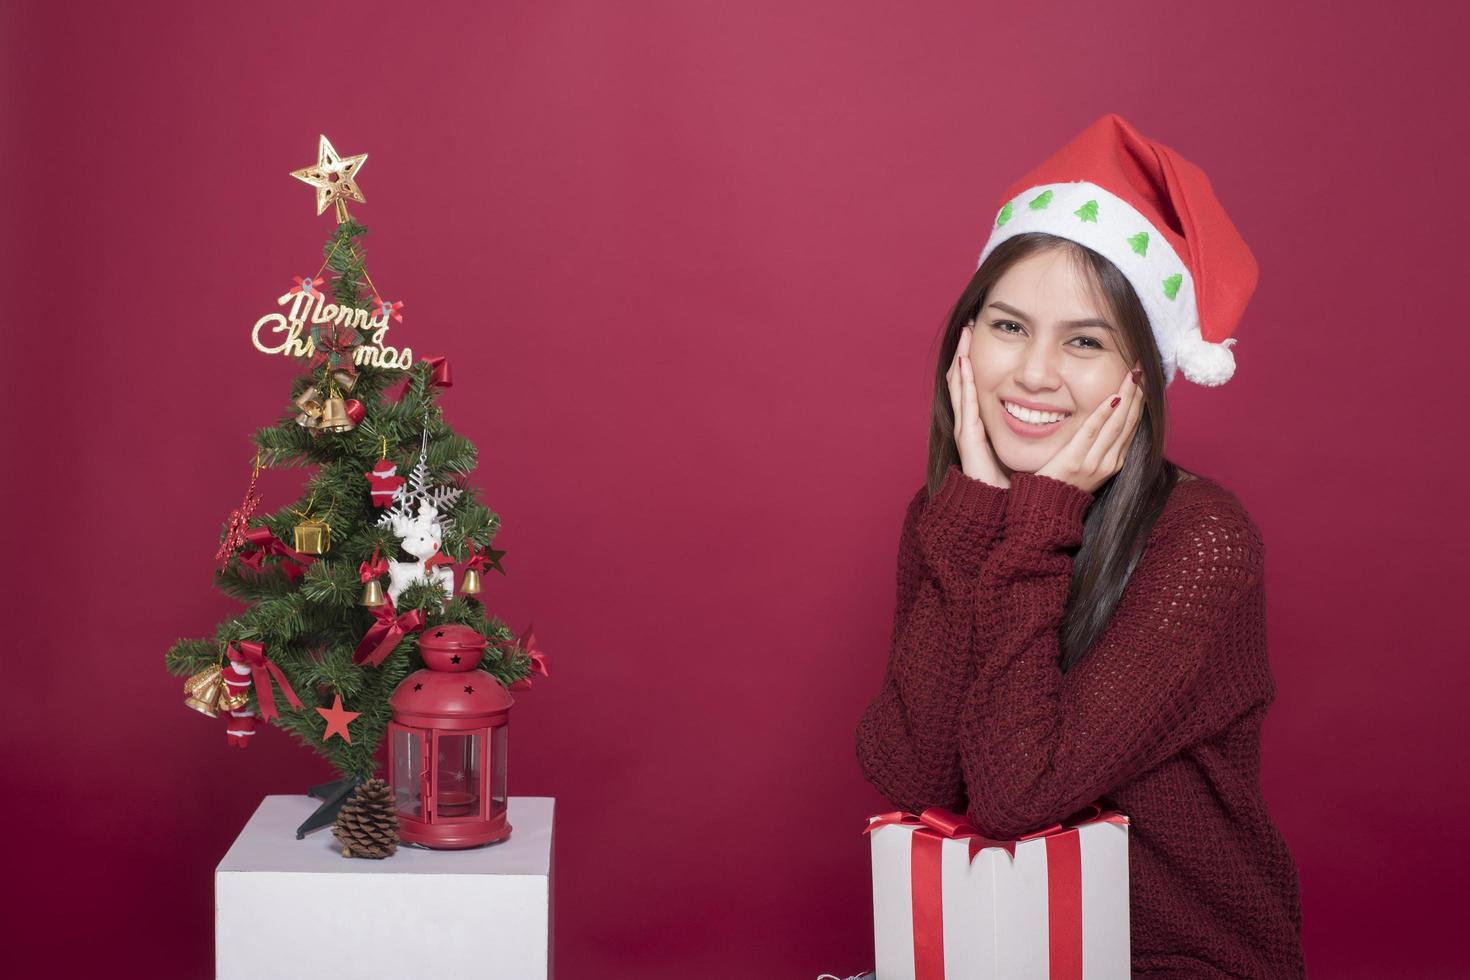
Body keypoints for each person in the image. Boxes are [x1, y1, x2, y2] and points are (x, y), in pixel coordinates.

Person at [854, 113, 1306, 978]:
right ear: (965, 342)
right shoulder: (950, 515)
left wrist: (1038, 520)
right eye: (1008, 326)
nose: (1031, 373)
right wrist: (979, 512)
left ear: (1145, 376)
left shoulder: (1203, 542)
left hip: (1176, 962)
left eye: (1085, 342)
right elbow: (911, 771)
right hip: (999, 954)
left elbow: (1019, 796)